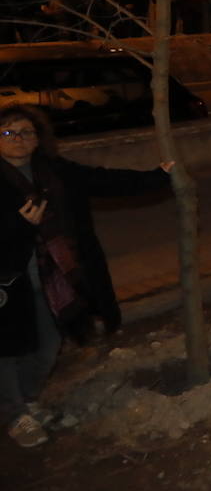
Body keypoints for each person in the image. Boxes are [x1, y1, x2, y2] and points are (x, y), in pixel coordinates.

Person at [1, 105, 172, 447]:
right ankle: (15, 415)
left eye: (26, 133)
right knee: (6, 352)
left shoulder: (54, 171)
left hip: (52, 282)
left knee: (47, 348)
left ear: (38, 140)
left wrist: (158, 175)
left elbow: (102, 179)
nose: (19, 140)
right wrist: (20, 227)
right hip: (8, 284)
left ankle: (28, 401)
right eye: (8, 132)